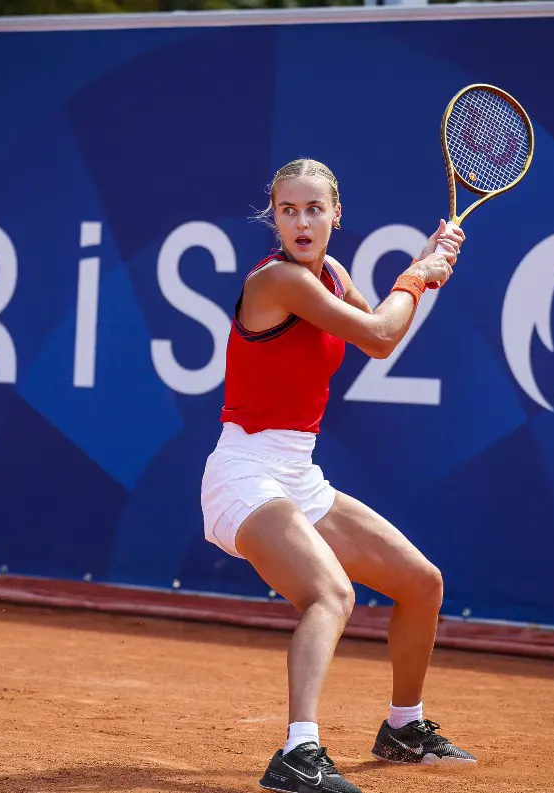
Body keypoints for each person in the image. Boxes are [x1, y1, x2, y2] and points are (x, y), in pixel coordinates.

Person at [199, 158, 476, 793]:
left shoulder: (329, 276)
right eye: (289, 210)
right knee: (331, 594)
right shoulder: (278, 281)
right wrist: (417, 274)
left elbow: (380, 336)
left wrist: (426, 268)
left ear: (335, 215)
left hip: (298, 473)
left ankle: (404, 727)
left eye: (314, 209)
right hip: (244, 473)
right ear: (275, 215)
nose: (301, 221)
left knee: (421, 584)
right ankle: (298, 753)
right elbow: (381, 331)